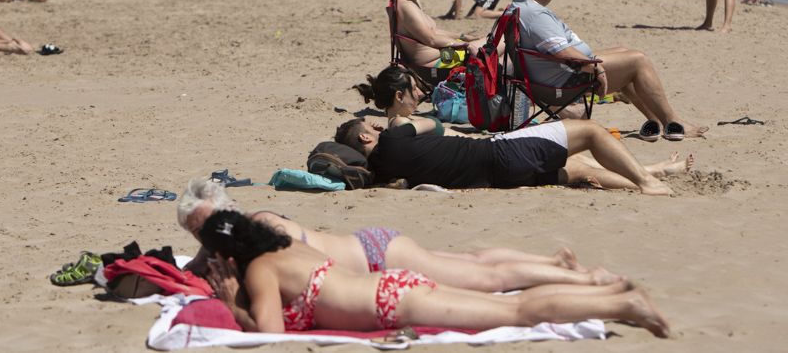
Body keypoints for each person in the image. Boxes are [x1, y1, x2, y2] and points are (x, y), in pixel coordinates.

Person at [200, 210, 670, 336]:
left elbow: (269, 334)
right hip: (394, 288)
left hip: (394, 302)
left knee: (518, 310)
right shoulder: (285, 246)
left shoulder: (260, 269)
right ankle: (610, 294)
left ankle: (620, 303)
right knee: (499, 293)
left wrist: (229, 301)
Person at [179, 179, 625, 295]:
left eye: (201, 225)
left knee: (486, 281)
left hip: (380, 259)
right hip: (377, 248)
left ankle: (586, 281)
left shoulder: (259, 231)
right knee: (472, 262)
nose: (201, 236)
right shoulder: (241, 229)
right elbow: (200, 265)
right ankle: (552, 263)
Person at [346, 65, 692, 194]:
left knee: (577, 168)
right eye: (414, 89)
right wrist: (421, 122)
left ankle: (652, 170)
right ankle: (647, 183)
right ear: (398, 96)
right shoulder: (401, 127)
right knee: (590, 131)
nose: (421, 93)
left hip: (493, 175)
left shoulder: (387, 161)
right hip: (499, 151)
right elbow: (434, 124)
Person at [509, 0, 707, 139]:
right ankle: (673, 122)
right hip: (561, 82)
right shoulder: (536, 15)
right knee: (638, 60)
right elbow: (563, 53)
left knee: (623, 52)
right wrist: (595, 68)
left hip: (552, 73)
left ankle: (654, 120)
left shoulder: (519, 7)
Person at [391, 0, 481, 70]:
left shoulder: (411, 2)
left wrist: (463, 37)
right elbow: (431, 39)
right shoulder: (405, 7)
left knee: (494, 47)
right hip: (439, 64)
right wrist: (466, 45)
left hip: (443, 56)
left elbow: (432, 31)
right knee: (498, 43)